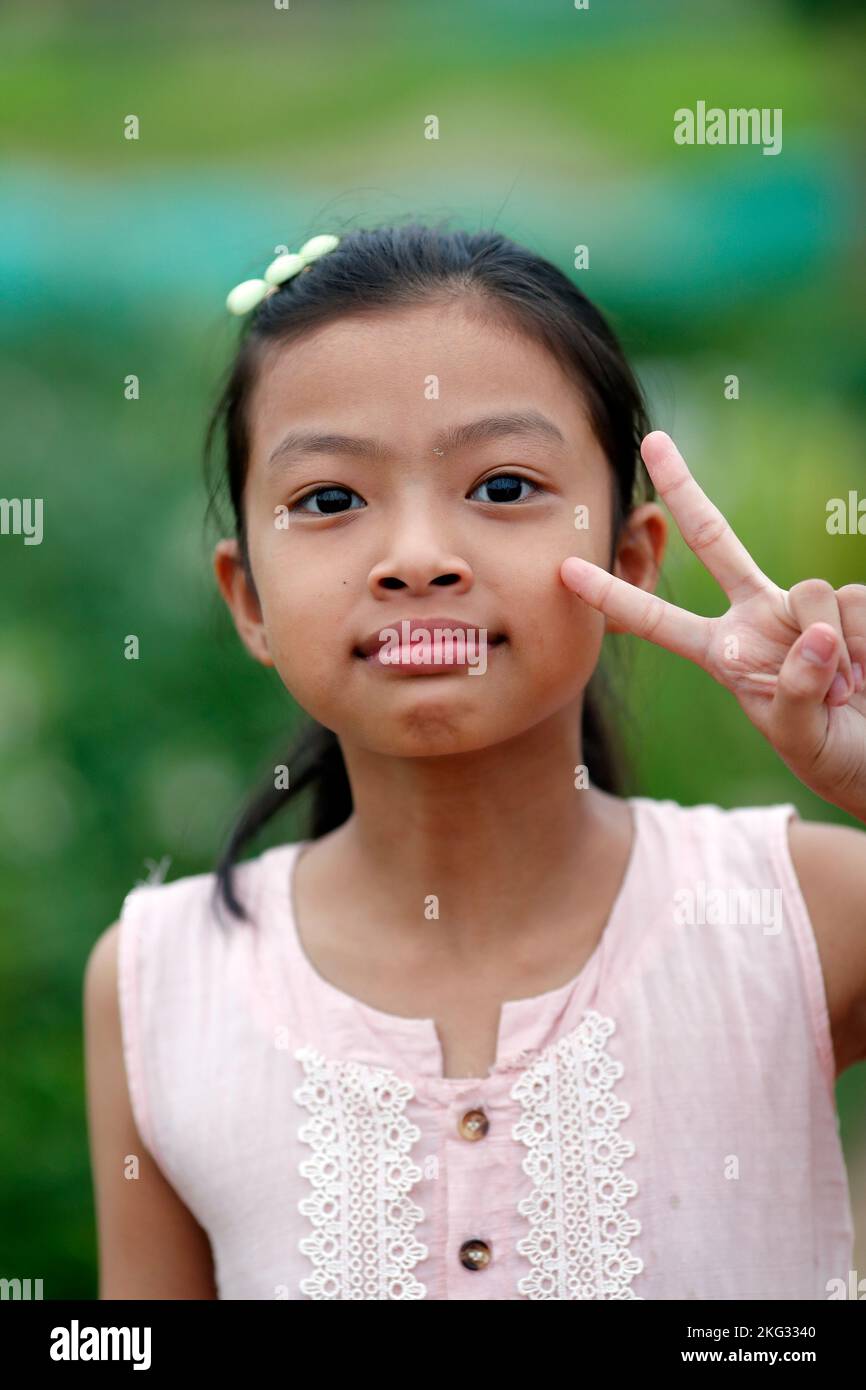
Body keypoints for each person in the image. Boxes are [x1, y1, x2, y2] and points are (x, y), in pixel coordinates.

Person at [84, 222, 866, 1300]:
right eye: (329, 500)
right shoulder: (155, 981)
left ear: (629, 559)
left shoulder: (803, 910)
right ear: (248, 598)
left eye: (501, 488)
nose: (415, 559)